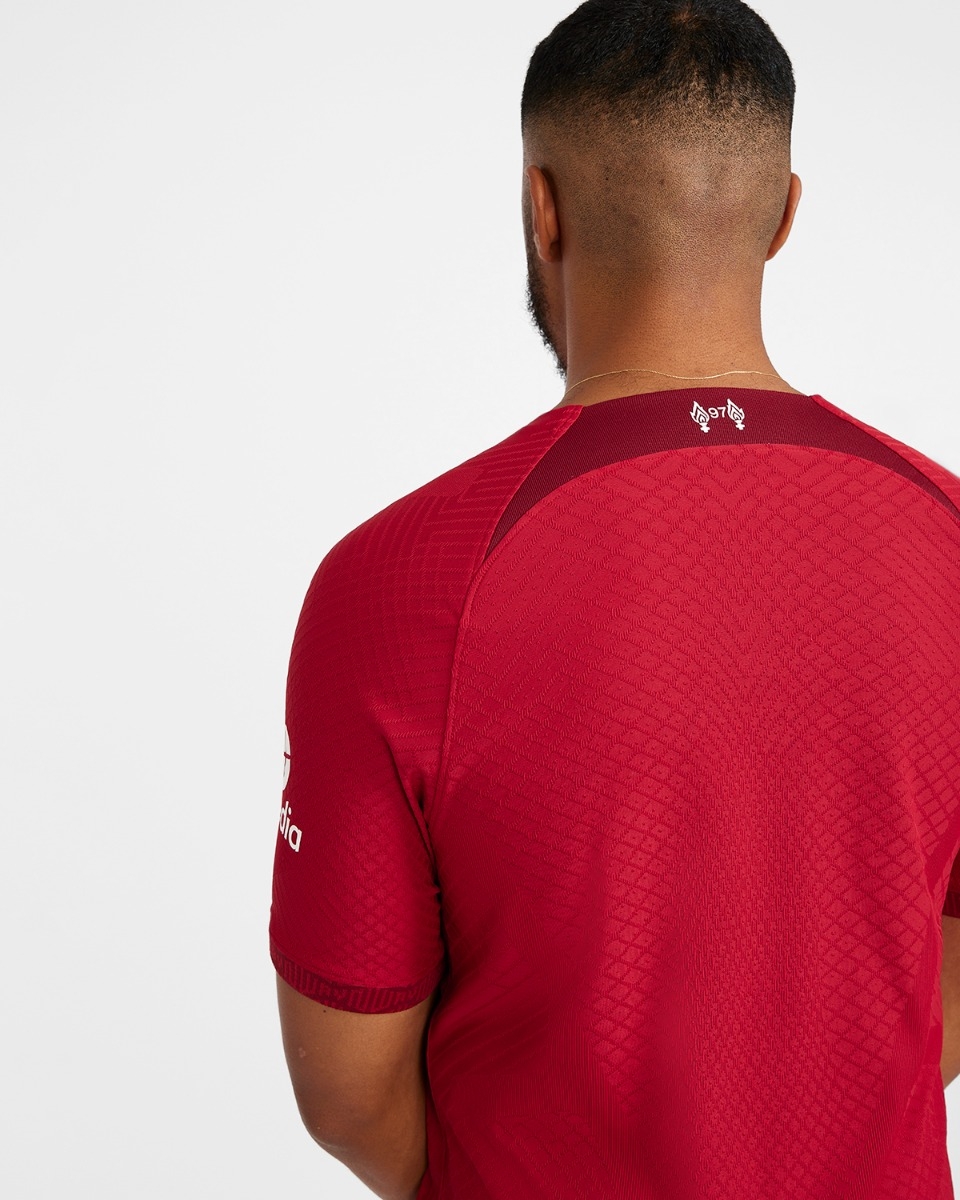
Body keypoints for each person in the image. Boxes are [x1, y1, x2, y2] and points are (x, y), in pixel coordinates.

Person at [269, 2, 960, 1197]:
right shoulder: (946, 535)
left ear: (541, 208)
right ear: (783, 215)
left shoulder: (401, 579)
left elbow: (349, 1093)